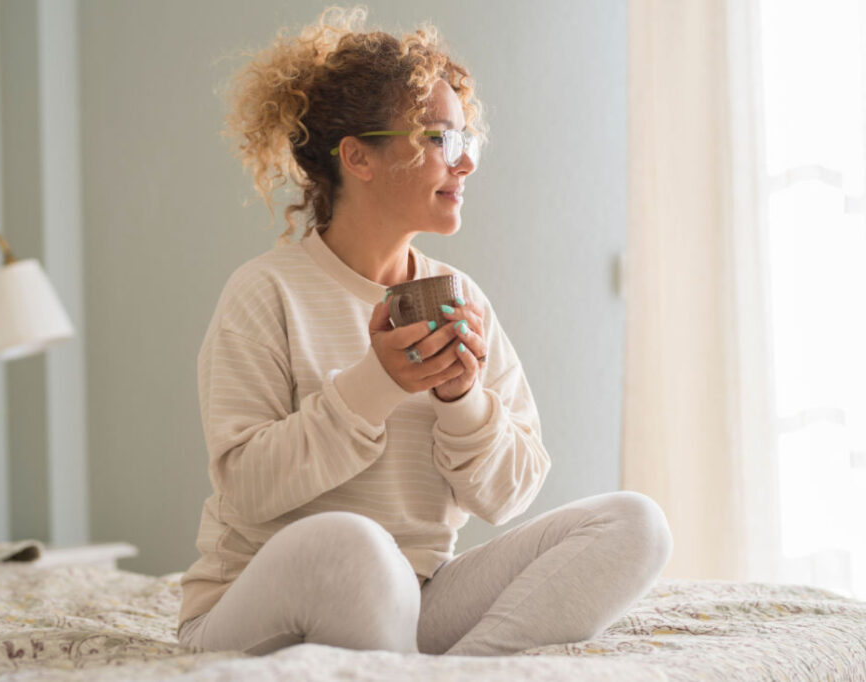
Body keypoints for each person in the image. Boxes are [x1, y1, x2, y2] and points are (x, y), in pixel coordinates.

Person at [177, 7, 673, 657]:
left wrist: (460, 400)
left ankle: (449, 675)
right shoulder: (267, 291)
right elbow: (249, 489)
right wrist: (376, 384)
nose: (464, 164)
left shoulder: (463, 300)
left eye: (465, 140)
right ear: (358, 157)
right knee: (352, 541)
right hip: (264, 604)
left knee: (635, 523)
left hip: (415, 598)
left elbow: (508, 494)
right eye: (439, 139)